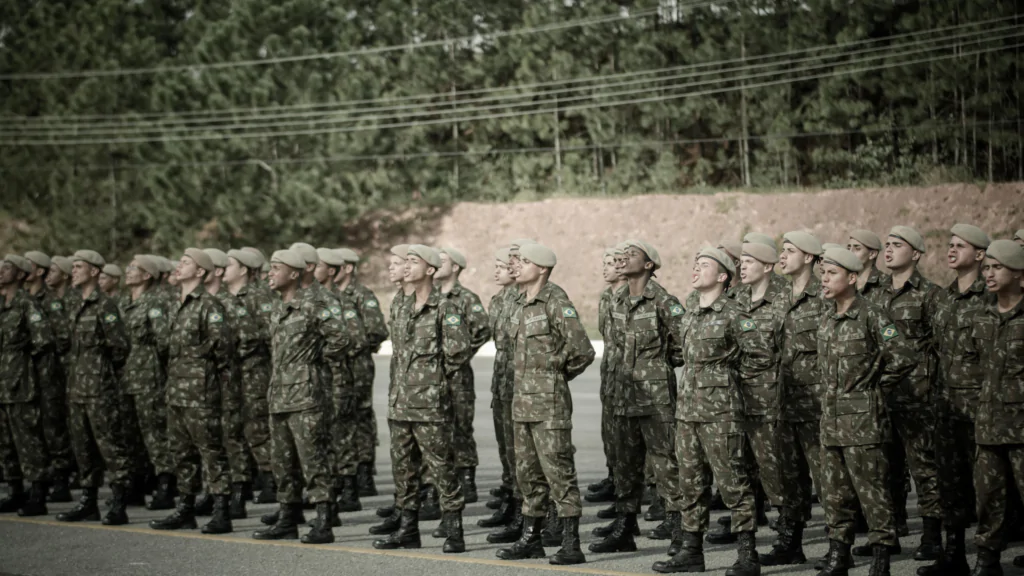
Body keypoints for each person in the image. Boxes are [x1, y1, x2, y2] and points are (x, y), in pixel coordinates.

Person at [652, 247, 759, 576]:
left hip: (721, 415)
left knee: (733, 485)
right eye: (695, 264)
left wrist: (729, 385)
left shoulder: (733, 313)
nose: (696, 269)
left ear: (723, 276)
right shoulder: (689, 312)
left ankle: (747, 555)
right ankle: (691, 551)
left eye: (704, 265)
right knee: (691, 486)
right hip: (688, 414)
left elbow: (758, 356)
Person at [815, 247, 914, 576]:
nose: (824, 279)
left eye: (832, 274)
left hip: (864, 423)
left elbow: (903, 356)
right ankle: (838, 554)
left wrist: (874, 390)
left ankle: (881, 557)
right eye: (823, 273)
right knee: (835, 493)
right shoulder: (827, 318)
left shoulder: (873, 315)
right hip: (831, 420)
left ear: (852, 277)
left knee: (872, 490)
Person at [496, 242, 594, 566]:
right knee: (527, 475)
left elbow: (582, 350)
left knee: (559, 473)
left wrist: (554, 375)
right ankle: (531, 539)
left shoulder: (555, 300)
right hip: (521, 403)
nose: (518, 266)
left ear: (541, 268)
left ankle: (570, 542)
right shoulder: (519, 303)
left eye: (525, 261)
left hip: (549, 405)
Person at [254, 249, 359, 545]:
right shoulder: (278, 308)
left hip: (306, 394)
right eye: (270, 269)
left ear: (294, 273)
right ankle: (288, 518)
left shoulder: (314, 304)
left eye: (276, 269)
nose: (270, 274)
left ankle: (324, 521)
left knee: (313, 459)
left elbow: (342, 338)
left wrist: (314, 361)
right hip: (279, 394)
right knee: (282, 461)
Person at [372, 245, 470, 554]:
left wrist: (434, 384)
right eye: (407, 261)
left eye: (414, 262)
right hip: (400, 403)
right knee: (404, 470)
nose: (407, 266)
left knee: (441, 468)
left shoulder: (445, 307)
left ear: (430, 270)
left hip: (430, 405)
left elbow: (457, 354)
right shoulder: (400, 305)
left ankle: (454, 530)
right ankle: (407, 530)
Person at [590, 240, 685, 557]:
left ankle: (678, 527)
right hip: (622, 394)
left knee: (664, 463)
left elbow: (682, 345)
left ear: (649, 265)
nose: (623, 259)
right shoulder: (616, 299)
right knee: (625, 465)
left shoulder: (663, 301)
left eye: (632, 256)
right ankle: (625, 527)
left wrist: (655, 368)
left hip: (655, 396)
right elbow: (614, 347)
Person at [865, 226, 944, 560]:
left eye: (897, 245)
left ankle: (931, 537)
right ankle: (889, 534)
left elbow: (943, 347)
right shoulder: (873, 294)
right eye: (887, 245)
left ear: (915, 254)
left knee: (925, 468)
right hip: (882, 395)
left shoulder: (930, 294)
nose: (889, 250)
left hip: (917, 395)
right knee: (884, 469)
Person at [918, 224, 992, 576]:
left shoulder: (990, 297)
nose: (951, 250)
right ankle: (954, 555)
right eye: (949, 245)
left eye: (960, 246)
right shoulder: (943, 298)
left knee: (989, 488)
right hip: (946, 408)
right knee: (951, 485)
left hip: (981, 410)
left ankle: (988, 559)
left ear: (980, 254)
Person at [149, 249, 234, 535]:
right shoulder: (176, 304)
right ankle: (185, 509)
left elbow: (224, 350)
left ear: (200, 272)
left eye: (186, 263)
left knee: (212, 453)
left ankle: (222, 511)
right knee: (181, 454)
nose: (178, 266)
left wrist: (211, 382)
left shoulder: (209, 305)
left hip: (201, 394)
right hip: (176, 392)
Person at [959, 240, 1024, 576]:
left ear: (1020, 275)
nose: (989, 273)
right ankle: (987, 560)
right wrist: (977, 407)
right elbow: (966, 368)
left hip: (1022, 428)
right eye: (987, 267)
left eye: (998, 267)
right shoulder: (980, 317)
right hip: (987, 428)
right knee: (988, 498)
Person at [56, 250, 132, 525]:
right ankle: (88, 502)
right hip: (76, 387)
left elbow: (120, 347)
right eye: (73, 266)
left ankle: (119, 501)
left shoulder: (105, 305)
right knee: (83, 447)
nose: (73, 271)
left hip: (100, 387)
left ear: (94, 272)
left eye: (79, 267)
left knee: (110, 446)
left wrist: (102, 372)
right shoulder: (74, 303)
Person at [0, 254, 57, 517]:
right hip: (3, 381)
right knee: (6, 441)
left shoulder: (27, 304)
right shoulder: (2, 304)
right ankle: (14, 490)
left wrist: (21, 361)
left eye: (8, 267)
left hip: (20, 382)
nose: (1, 270)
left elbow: (43, 341)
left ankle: (37, 492)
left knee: (28, 439)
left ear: (21, 275)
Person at [435, 246, 492, 503]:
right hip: (431, 376)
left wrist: (460, 353)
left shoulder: (466, 298)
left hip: (457, 376)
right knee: (436, 429)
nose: (437, 263)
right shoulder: (430, 296)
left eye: (443, 260)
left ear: (455, 267)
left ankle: (467, 480)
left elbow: (482, 329)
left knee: (461, 427)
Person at [119, 255, 175, 511]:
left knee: (155, 433)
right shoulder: (124, 302)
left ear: (147, 276)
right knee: (131, 434)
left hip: (149, 375)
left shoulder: (155, 302)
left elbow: (164, 342)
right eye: (129, 267)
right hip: (128, 375)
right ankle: (137, 484)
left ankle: (165, 484)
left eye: (135, 269)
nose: (128, 272)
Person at [334, 248, 388, 499]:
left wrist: (356, 348)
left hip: (358, 365)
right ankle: (347, 470)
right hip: (337, 368)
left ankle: (364, 471)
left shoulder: (361, 295)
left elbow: (377, 330)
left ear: (347, 268)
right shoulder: (329, 295)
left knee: (360, 416)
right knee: (341, 418)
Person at [224, 249, 276, 504]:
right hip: (229, 374)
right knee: (232, 429)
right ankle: (240, 481)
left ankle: (270, 478)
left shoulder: (259, 295)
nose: (223, 267)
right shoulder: (224, 296)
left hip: (254, 372)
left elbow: (269, 336)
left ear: (244, 270)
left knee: (257, 429)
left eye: (229, 264)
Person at [22, 251, 75, 502]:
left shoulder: (51, 301)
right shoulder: (23, 299)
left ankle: (61, 477)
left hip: (48, 371)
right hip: (25, 374)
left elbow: (62, 338)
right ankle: (38, 478)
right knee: (33, 426)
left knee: (53, 426)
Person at [479, 247, 520, 529]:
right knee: (506, 449)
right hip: (502, 384)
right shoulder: (497, 301)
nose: (497, 271)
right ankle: (511, 500)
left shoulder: (526, 299)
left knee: (523, 453)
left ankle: (525, 509)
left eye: (501, 266)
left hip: (523, 388)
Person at [589, 246, 626, 518]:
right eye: (605, 263)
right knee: (610, 432)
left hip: (631, 376)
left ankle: (637, 488)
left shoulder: (632, 296)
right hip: (611, 373)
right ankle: (614, 479)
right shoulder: (605, 296)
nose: (606, 268)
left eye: (612, 263)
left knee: (631, 438)